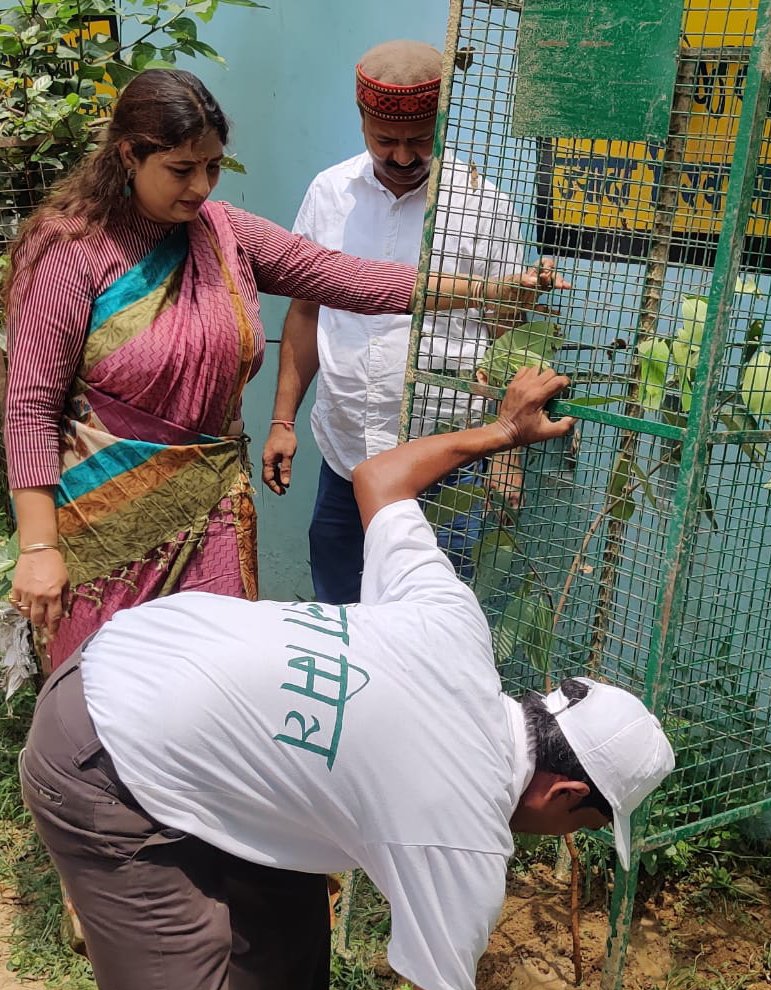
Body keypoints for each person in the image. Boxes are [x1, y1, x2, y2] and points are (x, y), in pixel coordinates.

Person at [21, 366, 675, 990]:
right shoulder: (464, 838)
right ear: (565, 793)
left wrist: (503, 431)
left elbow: (379, 477)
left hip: (148, 654)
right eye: (585, 826)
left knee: (290, 933)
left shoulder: (456, 627)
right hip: (102, 753)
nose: (565, 838)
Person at [3, 67, 550, 668]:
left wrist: (487, 291)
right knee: (106, 680)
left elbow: (345, 278)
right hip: (104, 519)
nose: (201, 187)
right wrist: (38, 547)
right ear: (130, 155)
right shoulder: (70, 249)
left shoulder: (223, 234)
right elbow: (31, 406)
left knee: (216, 678)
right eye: (181, 170)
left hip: (211, 511)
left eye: (213, 167)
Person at [262, 40, 530, 602]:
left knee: (432, 614)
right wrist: (283, 420)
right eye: (385, 140)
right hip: (346, 453)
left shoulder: (482, 205)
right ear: (361, 119)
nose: (404, 157)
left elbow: (510, 334)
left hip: (446, 460)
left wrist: (507, 453)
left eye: (419, 140)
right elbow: (306, 310)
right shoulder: (329, 193)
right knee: (339, 609)